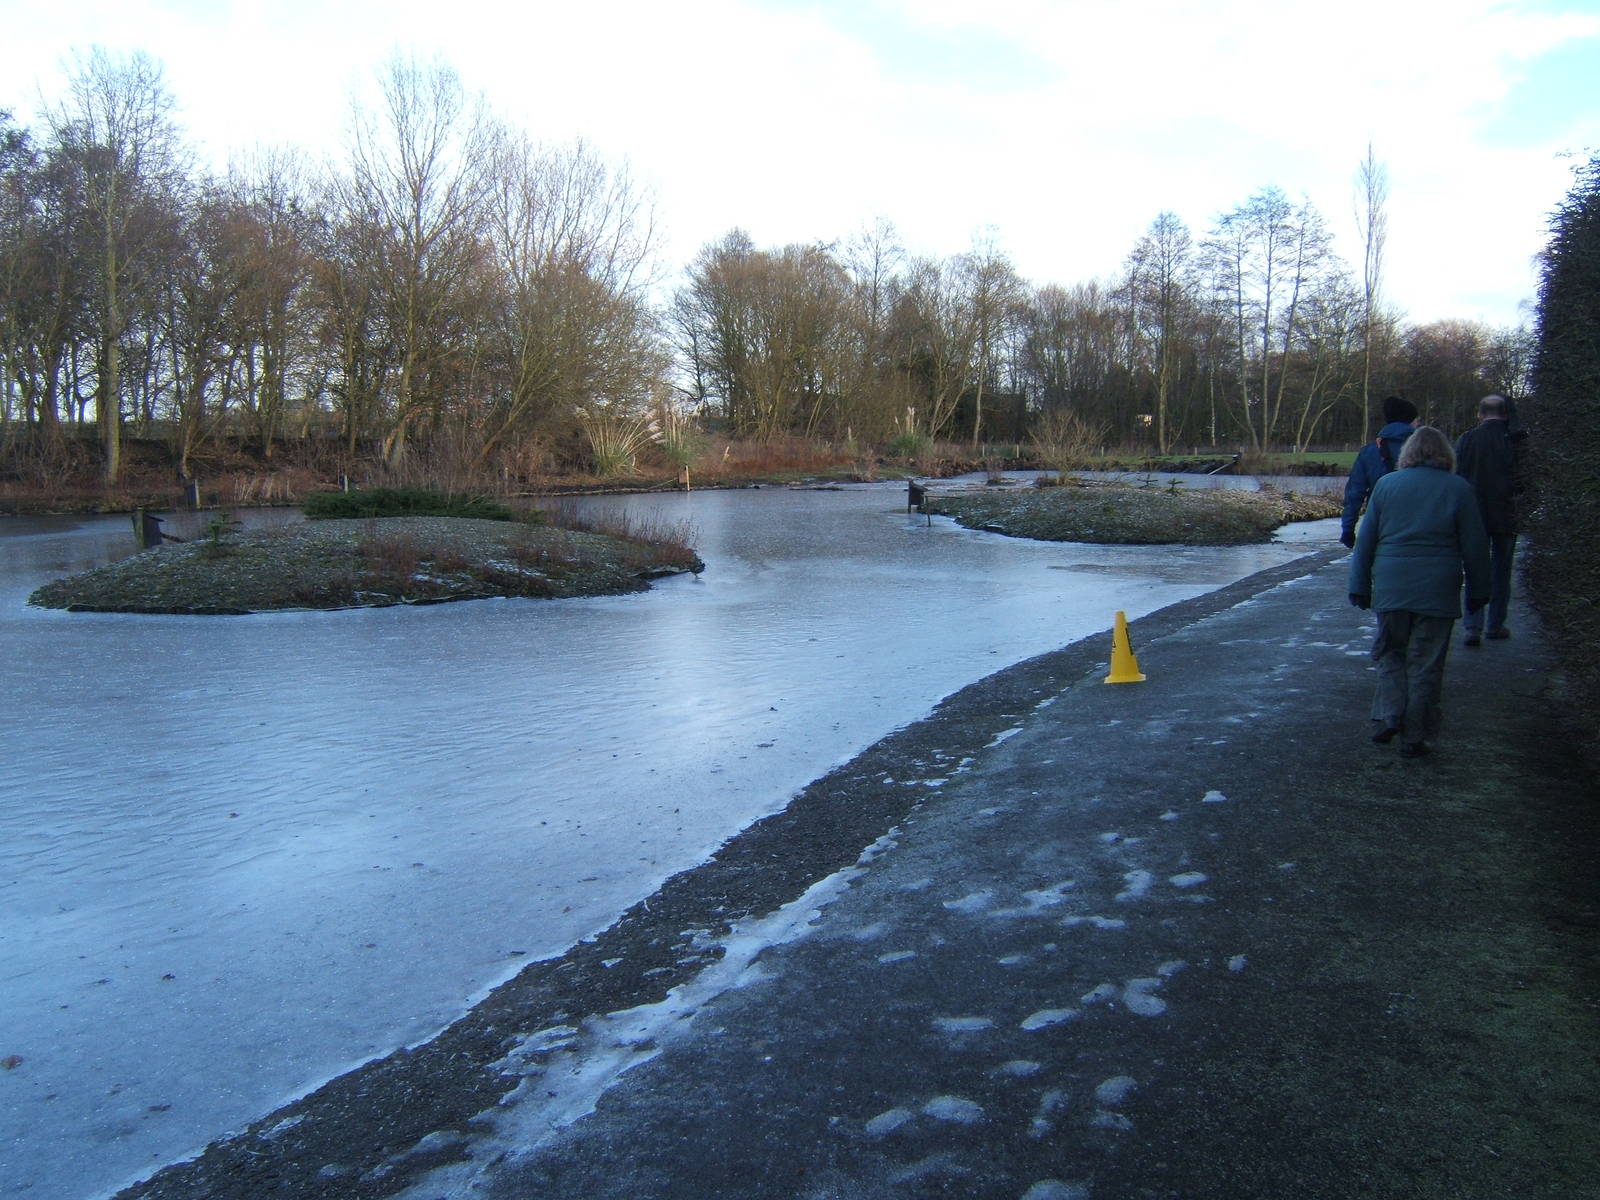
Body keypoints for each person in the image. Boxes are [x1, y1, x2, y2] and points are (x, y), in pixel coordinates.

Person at [1348, 426, 1490, 758]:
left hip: (1392, 585)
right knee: (1426, 662)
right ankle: (1414, 735)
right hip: (1438, 588)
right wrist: (1479, 591)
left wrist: (1359, 585)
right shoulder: (1459, 489)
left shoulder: (1386, 485)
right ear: (1446, 454)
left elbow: (1366, 540)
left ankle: (1389, 714)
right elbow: (1475, 545)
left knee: (1390, 651)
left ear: (1407, 452)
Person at [1455, 393, 1529, 646]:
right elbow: (1527, 479)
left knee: (1474, 569)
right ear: (1506, 413)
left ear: (1480, 414)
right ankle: (1495, 625)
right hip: (1507, 513)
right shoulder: (1517, 441)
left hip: (1474, 513)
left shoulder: (1468, 439)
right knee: (1501, 571)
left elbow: (1457, 476)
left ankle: (1472, 625)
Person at [1340, 395, 1420, 548]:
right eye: (1417, 420)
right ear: (1410, 421)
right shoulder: (1428, 450)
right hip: (1420, 522)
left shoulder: (1370, 451)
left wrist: (1348, 529)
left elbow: (1355, 493)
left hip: (1380, 523)